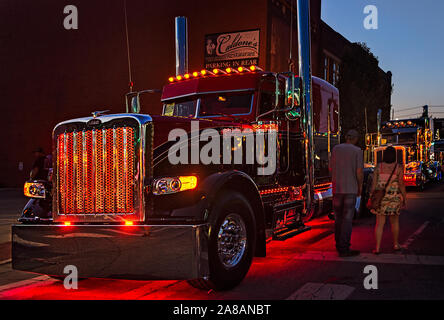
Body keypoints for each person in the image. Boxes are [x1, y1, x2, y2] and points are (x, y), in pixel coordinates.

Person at [330, 129, 364, 257]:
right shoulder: (357, 151)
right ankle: (344, 248)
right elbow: (359, 171)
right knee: (347, 219)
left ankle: (338, 244)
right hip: (350, 189)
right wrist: (360, 187)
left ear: (346, 137)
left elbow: (330, 168)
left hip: (336, 189)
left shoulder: (335, 149)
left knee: (338, 218)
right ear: (355, 139)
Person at [370, 146, 406, 254]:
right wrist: (404, 197)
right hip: (394, 198)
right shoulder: (398, 168)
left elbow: (374, 185)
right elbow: (401, 184)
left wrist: (372, 197)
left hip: (381, 199)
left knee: (379, 223)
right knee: (394, 222)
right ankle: (395, 244)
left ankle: (377, 248)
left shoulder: (378, 167)